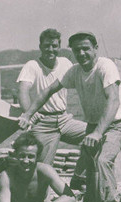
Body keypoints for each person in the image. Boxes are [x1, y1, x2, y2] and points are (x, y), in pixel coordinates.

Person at [19, 32, 121, 202]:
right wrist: (28, 113)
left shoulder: (105, 67)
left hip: (114, 127)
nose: (82, 53)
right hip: (92, 127)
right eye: (77, 50)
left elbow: (113, 100)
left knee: (101, 162)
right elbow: (48, 90)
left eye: (86, 48)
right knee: (93, 179)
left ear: (96, 48)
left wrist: (97, 133)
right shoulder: (75, 71)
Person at [16, 28, 87, 189]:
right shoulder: (32, 66)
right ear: (40, 46)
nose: (51, 49)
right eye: (47, 45)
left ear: (59, 47)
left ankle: (79, 178)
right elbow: (23, 91)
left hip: (64, 119)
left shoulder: (65, 63)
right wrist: (29, 115)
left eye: (54, 46)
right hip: (42, 123)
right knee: (42, 169)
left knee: (95, 136)